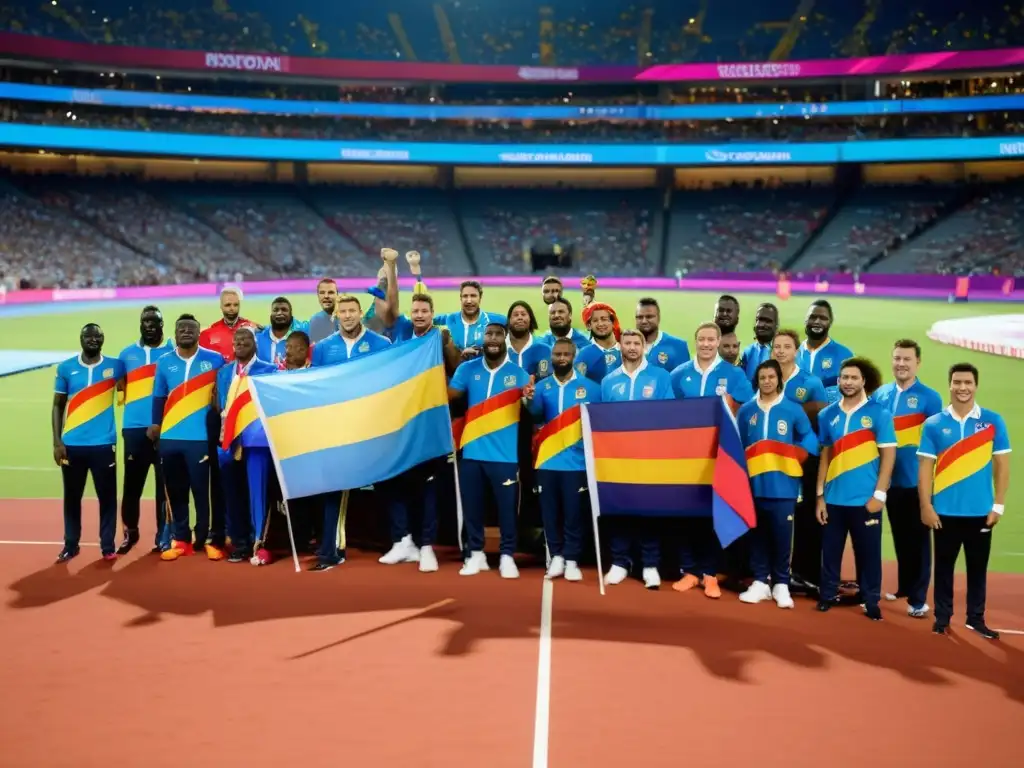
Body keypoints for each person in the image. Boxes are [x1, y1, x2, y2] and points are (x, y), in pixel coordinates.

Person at [918, 363, 1011, 639]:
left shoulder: (993, 421)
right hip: (944, 512)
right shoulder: (934, 424)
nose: (962, 388)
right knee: (944, 568)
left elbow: (1002, 465)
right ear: (950, 384)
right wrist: (926, 505)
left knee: (977, 569)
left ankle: (975, 618)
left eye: (968, 382)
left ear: (976, 385)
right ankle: (942, 617)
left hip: (980, 512)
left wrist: (998, 505)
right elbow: (924, 469)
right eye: (957, 382)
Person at [669, 322, 754, 597]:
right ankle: (689, 571)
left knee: (714, 514)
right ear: (696, 341)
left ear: (718, 342)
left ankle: (710, 573)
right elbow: (669, 414)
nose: (706, 344)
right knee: (686, 516)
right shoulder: (679, 374)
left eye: (710, 340)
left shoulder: (734, 374)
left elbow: (744, 412)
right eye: (701, 339)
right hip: (686, 459)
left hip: (720, 457)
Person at [377, 292, 457, 573]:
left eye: (425, 310)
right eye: (416, 311)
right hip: (400, 425)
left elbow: (456, 370)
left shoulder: (440, 338)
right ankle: (403, 540)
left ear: (432, 313)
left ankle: (426, 546)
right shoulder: (402, 341)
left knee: (429, 489)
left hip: (430, 426)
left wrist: (448, 346)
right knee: (394, 482)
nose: (420, 315)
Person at [448, 319, 534, 578]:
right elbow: (448, 398)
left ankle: (508, 555)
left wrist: (530, 398)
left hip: (505, 456)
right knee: (472, 507)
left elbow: (532, 408)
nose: (493, 339)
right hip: (472, 452)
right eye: (489, 334)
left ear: (505, 339)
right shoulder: (467, 370)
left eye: (498, 334)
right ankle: (476, 554)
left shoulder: (518, 374)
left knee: (507, 510)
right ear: (483, 339)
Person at [815, 358, 896, 620]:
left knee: (869, 555)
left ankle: (871, 600)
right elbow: (826, 456)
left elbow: (888, 457)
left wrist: (880, 494)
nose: (848, 382)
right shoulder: (827, 415)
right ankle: (827, 596)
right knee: (830, 553)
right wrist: (820, 496)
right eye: (844, 378)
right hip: (834, 500)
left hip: (866, 501)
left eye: (853, 378)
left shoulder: (879, 414)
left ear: (864, 381)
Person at [736, 360, 818, 609]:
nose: (767, 381)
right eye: (763, 378)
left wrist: (795, 455)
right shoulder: (747, 410)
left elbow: (810, 439)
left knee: (782, 537)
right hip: (755, 486)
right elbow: (738, 445)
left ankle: (781, 583)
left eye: (771, 377)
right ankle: (760, 582)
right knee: (757, 535)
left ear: (778, 380)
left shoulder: (793, 409)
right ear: (757, 381)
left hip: (784, 487)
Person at [873, 339, 943, 617]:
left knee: (919, 541)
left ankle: (918, 598)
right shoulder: (880, 394)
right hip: (888, 481)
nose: (901, 364)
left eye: (907, 360)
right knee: (901, 536)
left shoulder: (930, 397)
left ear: (918, 363)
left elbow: (937, 441)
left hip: (917, 481)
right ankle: (904, 586)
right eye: (897, 359)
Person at [599, 329, 674, 589]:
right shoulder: (609, 381)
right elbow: (603, 420)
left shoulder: (661, 377)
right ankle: (620, 562)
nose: (631, 347)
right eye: (627, 342)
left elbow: (668, 416)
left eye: (636, 343)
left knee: (648, 512)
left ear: (644, 347)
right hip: (618, 458)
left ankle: (650, 564)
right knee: (619, 510)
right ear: (620, 345)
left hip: (649, 457)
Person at [150, 314, 226, 561]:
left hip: (200, 439)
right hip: (170, 438)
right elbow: (158, 397)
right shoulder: (164, 362)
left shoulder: (214, 360)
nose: (185, 332)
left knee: (203, 493)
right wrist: (156, 426)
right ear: (175, 331)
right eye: (181, 328)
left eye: (190, 329)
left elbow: (222, 394)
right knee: (175, 491)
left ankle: (206, 539)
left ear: (197, 333)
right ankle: (181, 539)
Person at [525, 337, 601, 582]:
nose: (561, 358)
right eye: (557, 354)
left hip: (576, 462)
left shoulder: (591, 388)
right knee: (549, 512)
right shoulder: (542, 387)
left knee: (573, 513)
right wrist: (528, 399)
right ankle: (556, 556)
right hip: (547, 460)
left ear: (574, 356)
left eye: (566, 354)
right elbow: (536, 415)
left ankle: (572, 559)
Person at [51, 324, 125, 562]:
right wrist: (57, 441)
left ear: (103, 340)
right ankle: (71, 545)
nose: (93, 339)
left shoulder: (115, 366)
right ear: (81, 339)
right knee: (72, 497)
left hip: (104, 444)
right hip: (72, 444)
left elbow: (131, 390)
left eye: (98, 336)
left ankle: (107, 546)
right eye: (88, 336)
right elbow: (58, 405)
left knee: (107, 497)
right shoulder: (66, 368)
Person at [772, 328, 829, 594]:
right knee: (774, 512)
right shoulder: (766, 377)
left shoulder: (811, 382)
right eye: (777, 346)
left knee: (806, 515)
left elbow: (822, 419)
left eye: (786, 346)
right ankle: (772, 570)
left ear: (797, 351)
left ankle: (806, 574)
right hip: (773, 459)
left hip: (804, 457)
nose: (781, 351)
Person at [215, 328, 278, 564]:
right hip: (229, 441)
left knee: (257, 494)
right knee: (232, 495)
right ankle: (239, 543)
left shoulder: (269, 370)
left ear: (255, 344)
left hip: (257, 442)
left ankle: (259, 543)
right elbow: (223, 405)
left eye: (246, 339)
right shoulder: (223, 373)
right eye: (237, 340)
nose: (241, 343)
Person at [116, 306, 174, 554]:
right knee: (132, 486)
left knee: (165, 487)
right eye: (145, 322)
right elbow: (119, 387)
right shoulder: (126, 355)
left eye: (154, 322)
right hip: (134, 430)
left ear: (162, 325)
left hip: (166, 428)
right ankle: (131, 532)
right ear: (140, 325)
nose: (150, 326)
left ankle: (163, 536)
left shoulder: (173, 352)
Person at [796, 299, 854, 404]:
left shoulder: (845, 355)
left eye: (823, 318)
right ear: (805, 320)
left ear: (830, 322)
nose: (817, 321)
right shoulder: (793, 353)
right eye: (812, 317)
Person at [310, 294, 391, 367]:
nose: (347, 316)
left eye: (352, 311)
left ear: (361, 313)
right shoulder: (321, 348)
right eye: (342, 312)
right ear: (337, 315)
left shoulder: (382, 344)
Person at [436, 280, 500, 356]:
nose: (469, 301)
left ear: (480, 298)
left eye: (473, 296)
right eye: (465, 296)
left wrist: (479, 351)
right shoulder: (450, 318)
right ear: (460, 298)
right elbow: (426, 321)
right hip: (454, 367)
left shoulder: (492, 322)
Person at [198, 287, 257, 362]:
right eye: (228, 305)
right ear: (221, 306)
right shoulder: (208, 334)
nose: (232, 308)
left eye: (235, 305)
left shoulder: (252, 328)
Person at [634, 297, 690, 371]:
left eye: (649, 317)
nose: (644, 321)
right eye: (640, 317)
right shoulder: (626, 345)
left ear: (659, 318)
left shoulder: (678, 346)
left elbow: (683, 378)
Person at [575, 302, 622, 383]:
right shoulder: (584, 354)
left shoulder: (626, 350)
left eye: (604, 319)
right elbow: (576, 384)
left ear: (613, 323)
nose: (600, 324)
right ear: (589, 326)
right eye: (595, 320)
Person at [506, 300, 551, 378]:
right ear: (509, 320)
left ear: (531, 319)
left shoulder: (544, 349)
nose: (520, 317)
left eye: (523, 314)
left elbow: (547, 382)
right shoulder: (500, 349)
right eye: (515, 315)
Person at [256, 296, 305, 368]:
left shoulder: (300, 338)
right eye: (275, 310)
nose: (279, 313)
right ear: (270, 315)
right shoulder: (258, 337)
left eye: (284, 310)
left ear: (291, 316)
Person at [740, 303, 780, 382]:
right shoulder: (748, 351)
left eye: (768, 321)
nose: (762, 324)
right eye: (760, 320)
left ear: (776, 325)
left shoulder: (781, 352)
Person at [308, 277, 340, 343]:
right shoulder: (315, 320)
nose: (326, 296)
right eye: (322, 293)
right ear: (318, 295)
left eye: (330, 292)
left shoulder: (347, 317)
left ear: (337, 294)